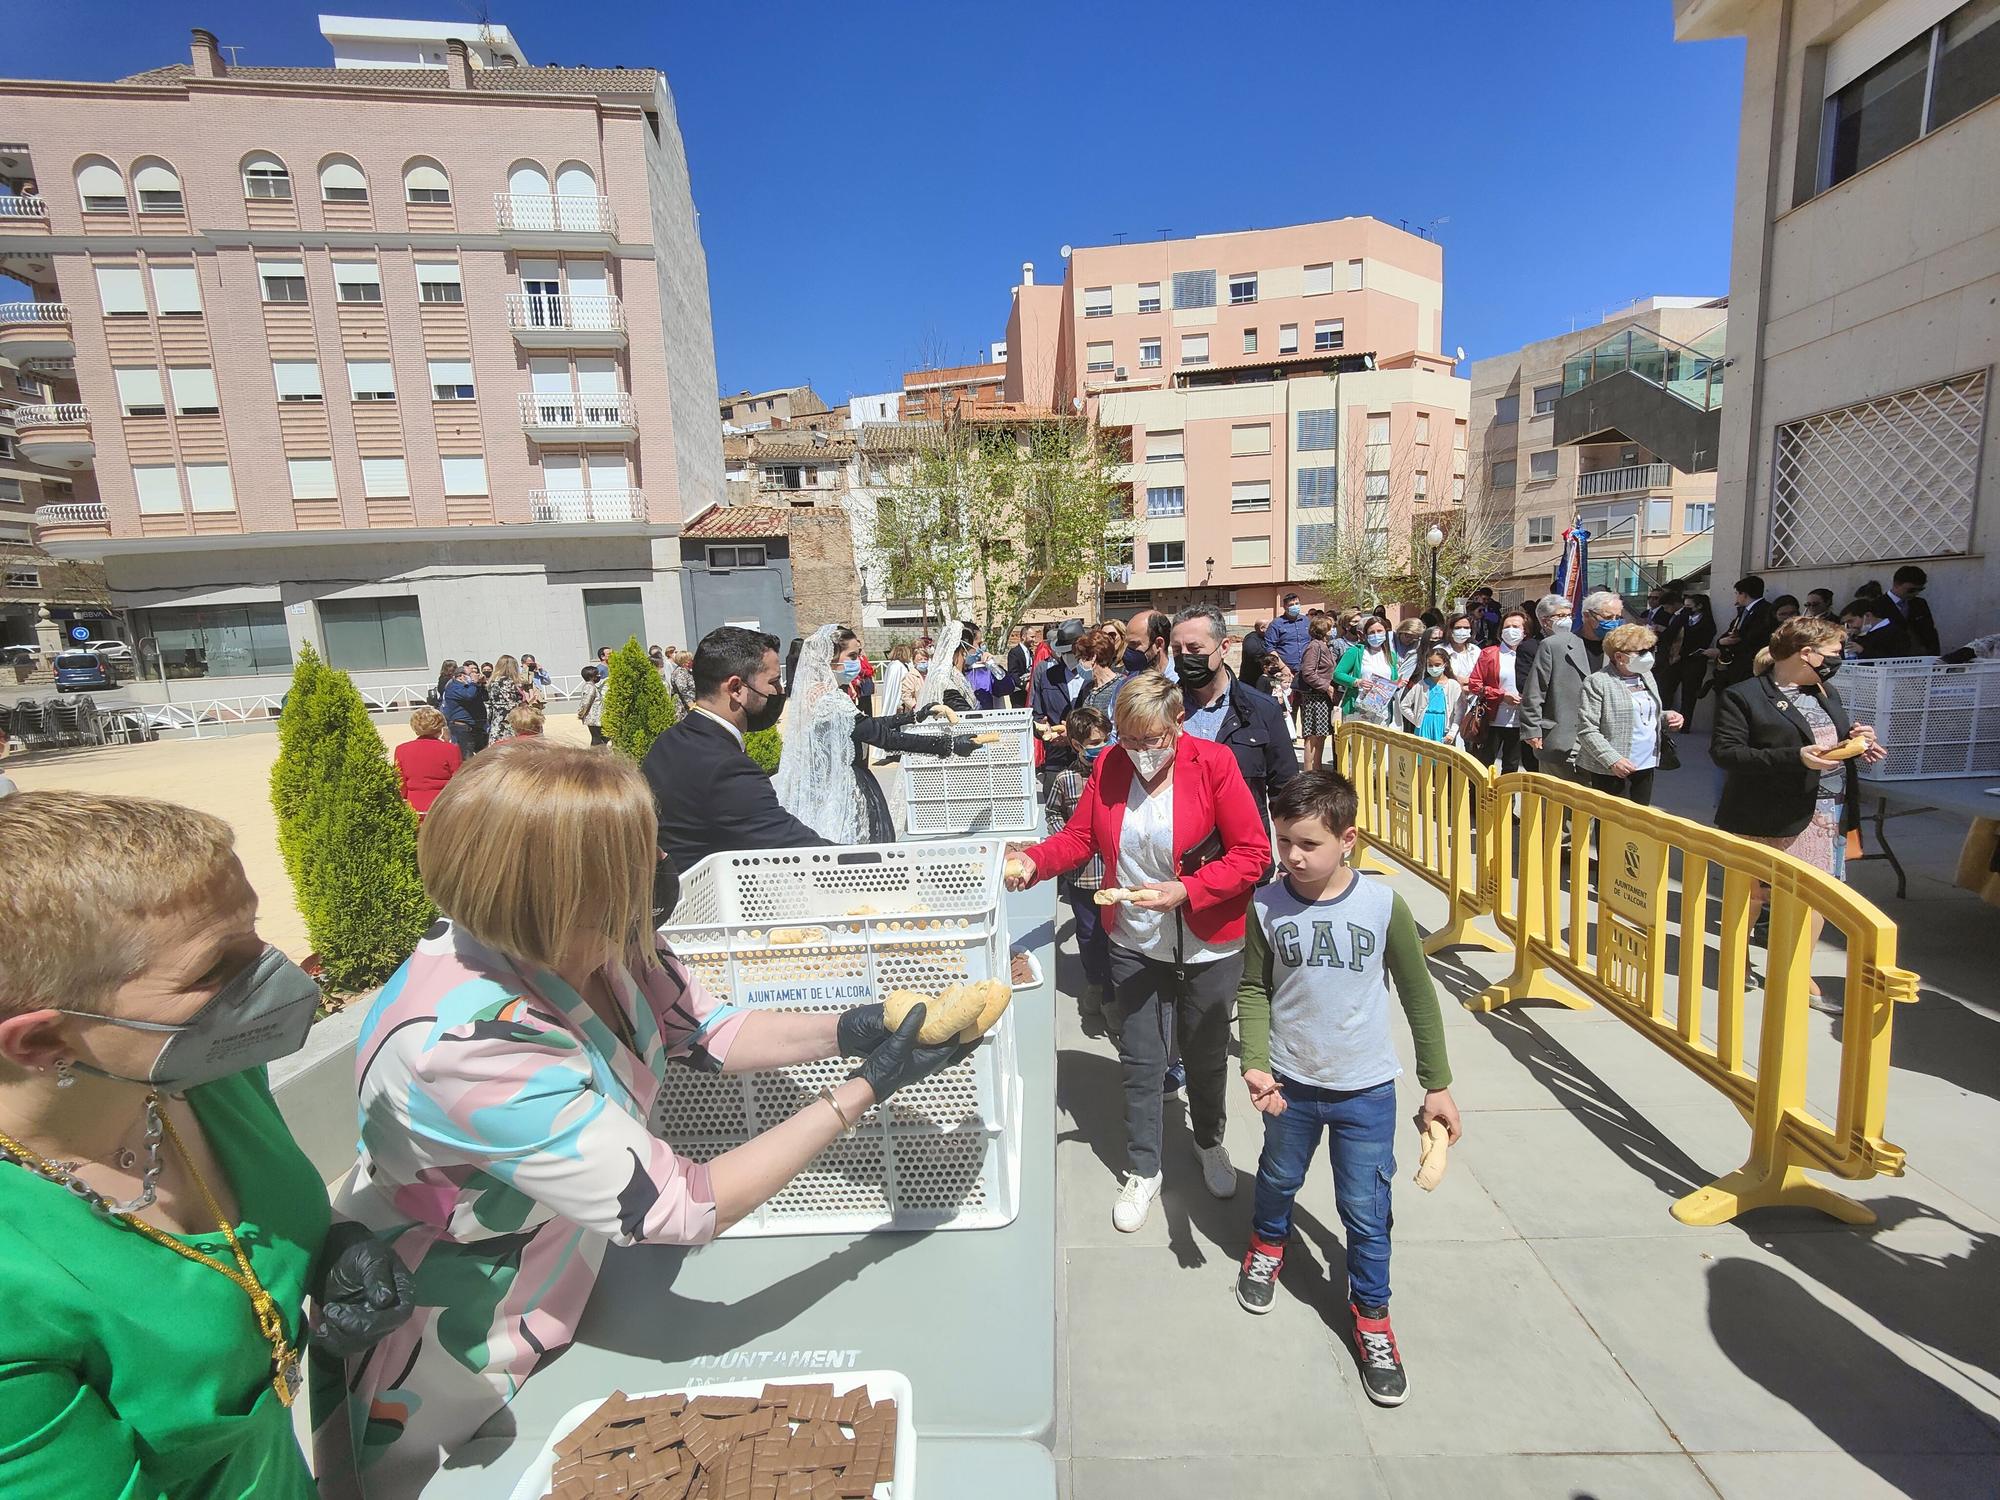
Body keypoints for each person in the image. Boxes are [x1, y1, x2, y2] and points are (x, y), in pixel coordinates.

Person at [314, 741, 971, 1492]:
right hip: (456, 1336)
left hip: (567, 1270)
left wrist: (850, 1029)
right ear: (557, 889)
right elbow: (682, 1205)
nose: (659, 863)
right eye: (635, 855)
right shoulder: (465, 1045)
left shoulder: (599, 937)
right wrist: (860, 1092)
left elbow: (703, 1028)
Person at [0, 791, 413, 1499]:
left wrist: (326, 1244)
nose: (279, 975)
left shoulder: (205, 1074)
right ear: (41, 1040)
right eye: (213, 970)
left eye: (254, 934)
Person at [1005, 673, 1269, 1232]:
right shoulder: (1109, 764)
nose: (1140, 751)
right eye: (1127, 738)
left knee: (1204, 1056)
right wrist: (1035, 860)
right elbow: (1081, 838)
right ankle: (1144, 1167)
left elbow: (1252, 854)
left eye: (1151, 740)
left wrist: (1188, 890)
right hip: (1134, 938)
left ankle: (1209, 1140)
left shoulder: (1214, 764)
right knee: (1143, 1059)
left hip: (1206, 942)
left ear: (1178, 724)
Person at [1234, 771, 1458, 1406]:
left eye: (1309, 843)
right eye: (1283, 840)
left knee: (1366, 1207)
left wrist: (1437, 1085)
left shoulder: (1383, 907)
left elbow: (1418, 996)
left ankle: (1372, 1316)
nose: (1293, 856)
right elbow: (1253, 988)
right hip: (1289, 1085)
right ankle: (1267, 1243)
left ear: (1348, 839)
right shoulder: (1266, 906)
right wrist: (1255, 1060)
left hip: (1366, 1091)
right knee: (1279, 1176)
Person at [1710, 617, 1887, 1011]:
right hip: (1767, 812)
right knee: (1753, 892)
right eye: (1834, 652)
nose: (1839, 659)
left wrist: (1857, 741)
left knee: (1814, 895)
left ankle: (1795, 972)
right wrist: (1796, 758)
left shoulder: (1825, 691)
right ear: (1806, 653)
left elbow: (1829, 739)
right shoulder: (1744, 695)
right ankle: (1736, 958)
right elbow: (1726, 753)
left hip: (1825, 812)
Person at [642, 625, 829, 870]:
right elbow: (798, 848)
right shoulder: (726, 768)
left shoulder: (669, 740)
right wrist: (875, 861)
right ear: (736, 688)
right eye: (774, 682)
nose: (780, 691)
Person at [774, 624, 974, 843]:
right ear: (829, 659)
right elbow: (883, 737)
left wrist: (914, 717)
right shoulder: (829, 700)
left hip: (834, 784)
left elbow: (865, 725)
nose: (858, 663)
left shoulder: (824, 693)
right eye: (852, 656)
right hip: (840, 789)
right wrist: (949, 745)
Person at [1170, 603, 1298, 833]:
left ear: (1224, 647)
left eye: (1195, 648)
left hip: (1245, 846)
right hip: (1182, 846)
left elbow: (1285, 793)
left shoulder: (1262, 709)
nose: (1186, 657)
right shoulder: (1163, 710)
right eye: (1178, 651)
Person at [1046, 705, 1113, 1033]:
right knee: (1088, 934)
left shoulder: (1117, 773)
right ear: (1076, 745)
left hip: (1114, 873)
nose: (1101, 747)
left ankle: (1113, 993)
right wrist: (1066, 841)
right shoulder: (1065, 781)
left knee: (1115, 934)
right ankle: (1095, 982)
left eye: (1105, 740)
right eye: (1094, 743)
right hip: (1083, 875)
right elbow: (1052, 813)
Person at [1571, 624, 1683, 805]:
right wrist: (1612, 760)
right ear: (1619, 657)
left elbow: (1642, 712)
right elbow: (1587, 729)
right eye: (1642, 652)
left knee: (1640, 816)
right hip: (1612, 767)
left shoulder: (1646, 675)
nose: (1648, 655)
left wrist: (1666, 717)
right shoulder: (1598, 682)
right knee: (1610, 819)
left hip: (1646, 761)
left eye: (1651, 649)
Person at [1521, 590, 1622, 782]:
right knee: (1559, 800)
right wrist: (1532, 729)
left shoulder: (1619, 650)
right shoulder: (1554, 645)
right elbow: (1535, 691)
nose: (1614, 622)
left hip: (1607, 746)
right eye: (1608, 617)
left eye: (1618, 617)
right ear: (1587, 615)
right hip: (1564, 742)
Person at [1465, 607, 1531, 772]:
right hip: (1492, 720)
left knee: (1511, 766)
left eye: (1516, 627)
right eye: (1507, 626)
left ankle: (1507, 791)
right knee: (1483, 764)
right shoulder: (1489, 653)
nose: (1511, 630)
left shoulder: (1532, 655)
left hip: (1520, 722)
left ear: (1525, 631)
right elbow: (1475, 684)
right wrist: (1501, 695)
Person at [1709, 574, 1775, 692]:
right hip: (1737, 665)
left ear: (1744, 594)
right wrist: (1721, 641)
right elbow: (1731, 630)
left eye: (1737, 593)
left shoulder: (1765, 610)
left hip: (1750, 664)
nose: (1736, 597)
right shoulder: (1743, 610)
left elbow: (1754, 637)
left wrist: (1733, 642)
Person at [1334, 616, 1401, 727]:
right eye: (1372, 632)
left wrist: (1397, 683)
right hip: (1357, 709)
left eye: (1379, 631)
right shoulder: (1355, 652)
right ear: (1365, 635)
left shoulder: (1391, 656)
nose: (1376, 635)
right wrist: (1356, 682)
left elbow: (1393, 680)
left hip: (1381, 712)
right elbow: (1337, 674)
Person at [395, 706, 462, 814]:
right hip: (443, 805)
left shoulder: (401, 750)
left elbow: (401, 783)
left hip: (414, 806)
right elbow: (458, 780)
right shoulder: (450, 749)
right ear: (440, 727)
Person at [1296, 614, 1341, 770]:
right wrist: (1326, 687)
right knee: (1313, 736)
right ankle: (1309, 771)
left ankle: (1317, 768)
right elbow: (1308, 672)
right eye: (1331, 627)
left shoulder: (1324, 646)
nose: (1333, 630)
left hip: (1322, 698)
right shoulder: (1314, 646)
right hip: (1315, 698)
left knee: (1321, 735)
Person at [1398, 647, 1464, 745]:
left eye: (1437, 665)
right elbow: (1404, 705)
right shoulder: (1421, 684)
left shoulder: (1453, 685)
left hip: (1442, 727)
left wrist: (1452, 733)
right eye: (1430, 665)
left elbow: (1459, 712)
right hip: (1424, 726)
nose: (1433, 668)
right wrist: (1416, 720)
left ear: (1445, 664)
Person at [1669, 591, 1717, 726]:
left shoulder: (1706, 622)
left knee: (1689, 694)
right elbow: (1671, 633)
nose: (1686, 609)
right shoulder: (1683, 619)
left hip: (1695, 661)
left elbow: (1704, 639)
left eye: (1689, 606)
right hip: (1678, 659)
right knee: (1668, 688)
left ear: (1699, 606)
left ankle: (1685, 724)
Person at [917, 621, 979, 714]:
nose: (978, 649)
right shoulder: (945, 678)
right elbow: (963, 713)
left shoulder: (957, 675)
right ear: (964, 651)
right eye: (978, 645)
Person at [439, 660, 488, 761]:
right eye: (471, 674)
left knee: (485, 756)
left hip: (477, 726)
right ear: (461, 676)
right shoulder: (453, 687)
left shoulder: (472, 686)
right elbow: (469, 695)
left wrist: (482, 685)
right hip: (463, 727)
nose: (475, 675)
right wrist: (474, 682)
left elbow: (485, 697)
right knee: (467, 757)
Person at [1887, 565, 1940, 655]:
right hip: (1890, 657)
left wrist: (1934, 656)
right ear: (1896, 584)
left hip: (1920, 656)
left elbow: (1930, 633)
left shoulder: (1920, 604)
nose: (1915, 593)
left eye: (1920, 590)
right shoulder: (1877, 605)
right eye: (1911, 590)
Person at [1843, 595, 1917, 659]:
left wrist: (1863, 651)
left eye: (1851, 621)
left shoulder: (1895, 632)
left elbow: (1895, 658)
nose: (1850, 626)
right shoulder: (1860, 635)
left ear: (1868, 615)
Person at [485, 655, 532, 743]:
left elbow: (489, 705)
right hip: (513, 721)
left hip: (497, 721)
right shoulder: (512, 683)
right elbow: (515, 703)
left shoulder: (491, 683)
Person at [1266, 593, 1313, 678]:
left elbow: (1313, 642)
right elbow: (1270, 648)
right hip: (1286, 672)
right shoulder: (1276, 624)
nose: (1295, 606)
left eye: (1297, 603)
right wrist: (1283, 667)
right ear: (1285, 607)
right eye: (1291, 605)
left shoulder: (1307, 621)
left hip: (1306, 669)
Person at [1443, 613, 1481, 685]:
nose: (1462, 630)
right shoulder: (1441, 650)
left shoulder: (1476, 650)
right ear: (1450, 630)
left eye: (1466, 628)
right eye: (1458, 627)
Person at [1239, 618, 1274, 695]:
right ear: (1262, 628)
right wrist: (1271, 654)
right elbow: (1254, 652)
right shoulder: (1251, 639)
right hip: (1252, 681)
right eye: (1270, 627)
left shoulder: (1269, 639)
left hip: (1268, 679)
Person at [575, 663, 608, 746]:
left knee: (603, 738)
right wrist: (581, 713)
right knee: (596, 738)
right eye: (597, 675)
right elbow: (586, 702)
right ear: (591, 677)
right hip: (593, 718)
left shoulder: (593, 686)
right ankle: (594, 753)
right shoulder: (589, 687)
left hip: (597, 718)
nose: (599, 676)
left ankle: (602, 752)